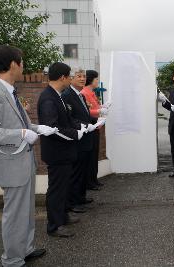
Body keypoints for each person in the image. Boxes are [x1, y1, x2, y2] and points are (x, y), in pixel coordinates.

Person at [0, 45, 55, 266]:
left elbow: (21, 123)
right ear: (13, 64)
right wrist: (22, 133)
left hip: (21, 162)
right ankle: (12, 259)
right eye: (21, 62)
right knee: (15, 214)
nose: (23, 66)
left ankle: (25, 249)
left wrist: (38, 128)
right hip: (11, 165)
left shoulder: (9, 90)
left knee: (26, 211)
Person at [38, 62, 86, 237]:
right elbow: (52, 127)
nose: (72, 79)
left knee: (64, 187)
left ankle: (63, 216)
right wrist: (75, 134)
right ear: (62, 78)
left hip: (64, 152)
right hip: (57, 153)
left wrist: (81, 127)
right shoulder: (48, 98)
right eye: (70, 76)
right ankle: (54, 225)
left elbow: (66, 120)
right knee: (57, 190)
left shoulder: (57, 95)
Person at [62, 67, 97, 214]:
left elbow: (85, 114)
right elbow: (69, 118)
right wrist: (84, 125)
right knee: (76, 173)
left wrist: (95, 120)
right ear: (71, 78)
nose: (82, 78)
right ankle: (73, 202)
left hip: (86, 138)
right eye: (78, 76)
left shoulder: (81, 95)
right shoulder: (67, 95)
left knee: (83, 170)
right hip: (77, 139)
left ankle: (81, 197)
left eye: (83, 76)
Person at [81, 70, 110, 188]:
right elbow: (86, 111)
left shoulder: (92, 93)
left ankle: (93, 179)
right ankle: (89, 182)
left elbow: (95, 106)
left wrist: (103, 106)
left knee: (94, 155)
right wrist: (99, 111)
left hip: (96, 126)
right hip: (90, 127)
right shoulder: (84, 93)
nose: (98, 81)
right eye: (96, 79)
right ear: (91, 80)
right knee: (90, 156)